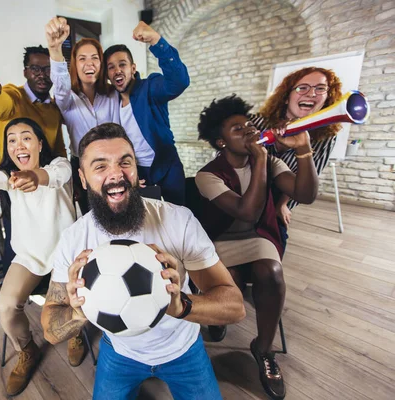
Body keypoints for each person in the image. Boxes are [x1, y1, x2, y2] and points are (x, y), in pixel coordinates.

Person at [41, 123, 246, 400]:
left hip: (183, 348)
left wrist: (181, 305)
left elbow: (235, 308)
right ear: (83, 177)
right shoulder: (74, 238)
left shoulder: (178, 220)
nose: (116, 174)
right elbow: (51, 330)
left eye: (125, 162)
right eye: (100, 166)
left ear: (136, 170)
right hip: (120, 353)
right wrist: (79, 313)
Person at [194, 95, 319, 400]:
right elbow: (246, 210)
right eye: (238, 129)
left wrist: (303, 150)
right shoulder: (206, 175)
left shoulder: (270, 161)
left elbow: (306, 193)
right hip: (219, 242)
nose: (249, 131)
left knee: (272, 272)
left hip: (258, 236)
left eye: (249, 125)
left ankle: (263, 349)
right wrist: (261, 158)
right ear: (220, 142)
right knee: (231, 279)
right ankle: (219, 317)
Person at [0, 118, 75, 397]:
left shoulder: (60, 165)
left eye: (26, 137)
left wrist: (35, 177)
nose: (19, 145)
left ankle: (75, 333)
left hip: (65, 257)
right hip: (29, 256)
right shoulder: (10, 178)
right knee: (6, 307)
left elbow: (53, 177)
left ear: (40, 143)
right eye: (12, 140)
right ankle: (27, 350)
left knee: (65, 309)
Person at [250, 67, 343, 243]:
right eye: (303, 87)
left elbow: (306, 184)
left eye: (320, 88)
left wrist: (282, 204)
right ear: (286, 97)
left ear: (327, 98)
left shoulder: (326, 136)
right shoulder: (255, 122)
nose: (311, 94)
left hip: (278, 199)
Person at [103, 22, 189, 205]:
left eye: (122, 64)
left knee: (178, 217)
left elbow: (179, 81)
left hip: (167, 168)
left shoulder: (149, 87)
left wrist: (156, 41)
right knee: (146, 225)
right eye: (111, 67)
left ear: (133, 68)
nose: (117, 70)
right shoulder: (111, 104)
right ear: (107, 75)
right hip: (138, 174)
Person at [45, 17, 120, 214]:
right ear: (74, 65)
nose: (89, 63)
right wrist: (55, 48)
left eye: (95, 57)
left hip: (114, 161)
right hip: (83, 164)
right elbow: (60, 85)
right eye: (82, 58)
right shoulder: (67, 99)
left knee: (120, 210)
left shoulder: (113, 94)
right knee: (94, 216)